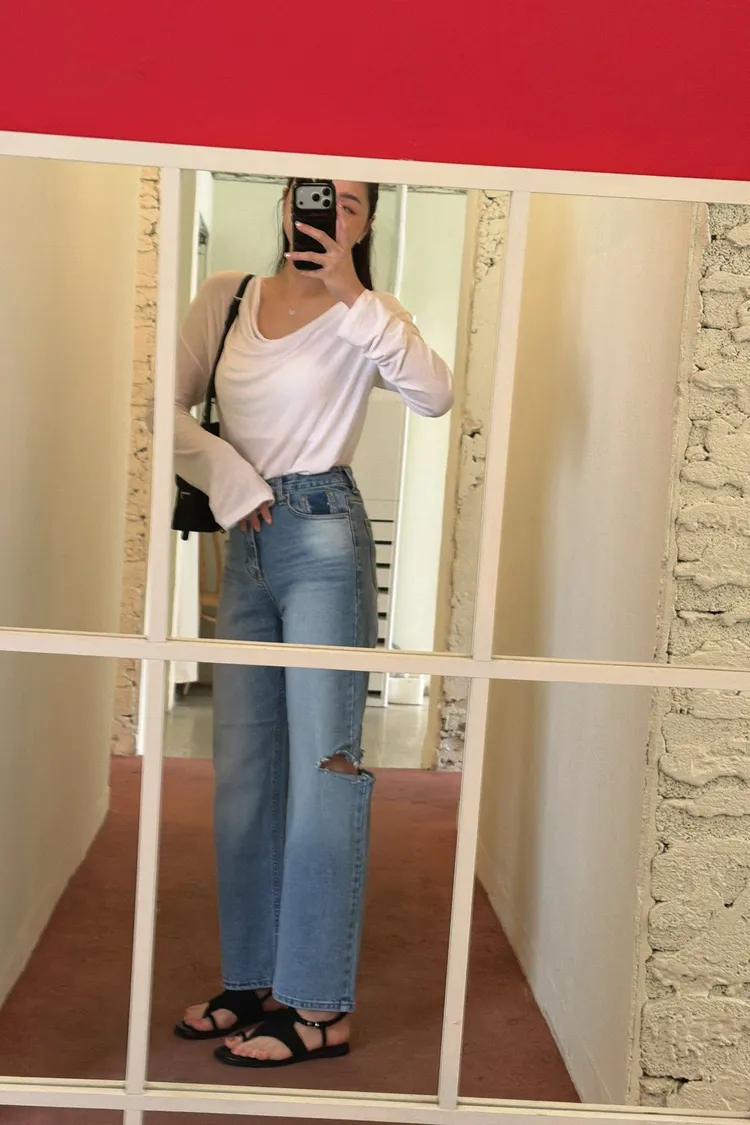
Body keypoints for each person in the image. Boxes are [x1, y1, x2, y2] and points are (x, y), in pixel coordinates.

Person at [172, 179, 453, 1068]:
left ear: (364, 225)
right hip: (245, 533)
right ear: (289, 199)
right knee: (245, 771)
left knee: (323, 767)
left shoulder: (369, 311)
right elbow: (158, 408)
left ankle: (318, 1004)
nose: (330, 214)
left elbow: (435, 395)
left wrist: (353, 292)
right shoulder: (228, 297)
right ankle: (254, 978)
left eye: (353, 206)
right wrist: (229, 477)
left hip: (325, 537)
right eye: (317, 194)